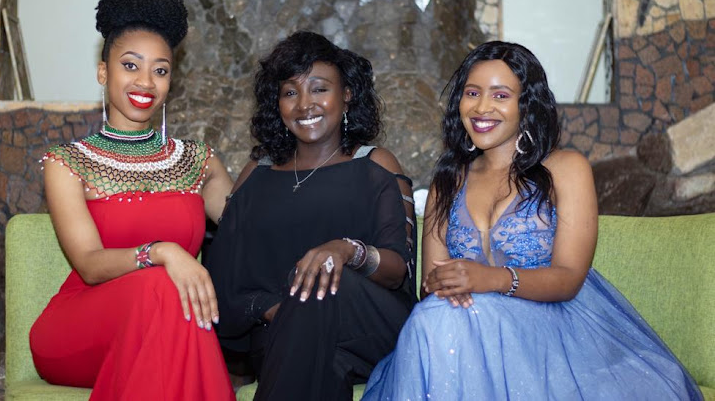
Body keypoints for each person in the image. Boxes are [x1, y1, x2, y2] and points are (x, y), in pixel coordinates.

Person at [362, 41, 702, 400]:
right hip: (460, 328)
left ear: (526, 106)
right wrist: (447, 282)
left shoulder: (566, 169)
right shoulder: (448, 181)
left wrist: (488, 279)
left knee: (439, 321)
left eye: (500, 95)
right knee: (435, 318)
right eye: (472, 93)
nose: (481, 107)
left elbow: (569, 278)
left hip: (551, 330)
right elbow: (428, 287)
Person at [30, 0, 236, 400]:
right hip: (78, 329)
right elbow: (88, 265)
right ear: (103, 72)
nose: (146, 81)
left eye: (160, 70)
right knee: (165, 286)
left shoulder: (197, 161)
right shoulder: (67, 162)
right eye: (130, 66)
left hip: (166, 322)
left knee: (171, 299)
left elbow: (254, 228)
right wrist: (161, 251)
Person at [207, 31, 417, 400]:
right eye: (290, 92)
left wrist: (345, 250)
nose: (305, 104)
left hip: (369, 326)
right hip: (280, 333)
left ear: (347, 95)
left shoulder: (374, 164)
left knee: (319, 276)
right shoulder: (257, 173)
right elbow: (223, 277)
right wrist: (284, 310)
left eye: (319, 89)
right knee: (326, 362)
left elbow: (398, 269)